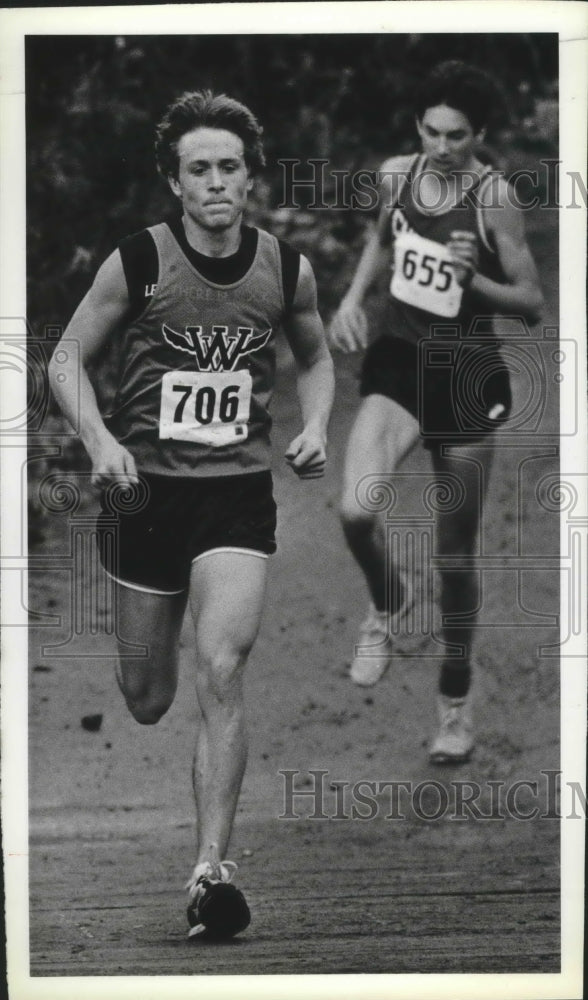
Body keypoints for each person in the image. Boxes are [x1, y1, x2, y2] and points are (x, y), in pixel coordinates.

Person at [48, 90, 334, 938]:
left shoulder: (285, 268)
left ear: (251, 178)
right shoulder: (138, 261)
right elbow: (65, 357)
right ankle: (148, 652)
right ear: (175, 182)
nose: (216, 183)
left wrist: (316, 422)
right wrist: (98, 439)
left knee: (221, 669)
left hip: (235, 496)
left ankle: (211, 871)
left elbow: (316, 357)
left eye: (230, 168)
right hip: (144, 494)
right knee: (146, 696)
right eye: (199, 169)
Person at [328, 61, 543, 764]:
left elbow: (532, 303)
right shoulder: (396, 174)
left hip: (467, 374)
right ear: (417, 126)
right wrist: (354, 298)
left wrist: (472, 280)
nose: (441, 145)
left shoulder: (494, 197)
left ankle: (454, 706)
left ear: (479, 135)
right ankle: (389, 605)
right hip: (400, 360)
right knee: (357, 511)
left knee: (454, 560)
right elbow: (381, 241)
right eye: (430, 130)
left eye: (456, 134)